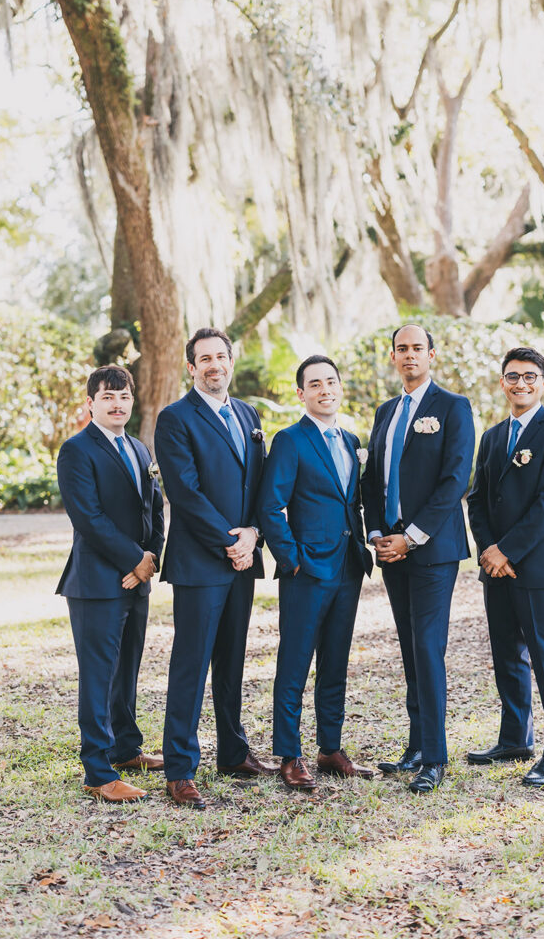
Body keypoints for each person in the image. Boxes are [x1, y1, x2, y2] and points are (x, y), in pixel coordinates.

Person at [155, 328, 273, 809]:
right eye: (204, 358)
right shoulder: (175, 418)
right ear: (191, 367)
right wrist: (231, 541)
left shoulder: (248, 414)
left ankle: (233, 752)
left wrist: (254, 534)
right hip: (202, 562)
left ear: (231, 360)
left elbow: (264, 483)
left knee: (232, 660)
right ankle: (180, 769)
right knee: (192, 663)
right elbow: (183, 493)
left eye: (220, 356)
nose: (214, 365)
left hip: (243, 557)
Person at [362, 325, 475, 794]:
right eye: (402, 349)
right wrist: (376, 533)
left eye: (417, 349)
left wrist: (411, 536)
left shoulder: (453, 407)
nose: (410, 356)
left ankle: (435, 756)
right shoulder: (387, 412)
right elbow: (372, 480)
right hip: (391, 551)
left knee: (428, 649)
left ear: (432, 354)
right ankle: (414, 746)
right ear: (393, 357)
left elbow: (455, 480)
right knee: (409, 649)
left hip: (433, 550)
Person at [257, 355, 374, 790]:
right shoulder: (290, 440)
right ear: (301, 393)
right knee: (295, 662)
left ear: (339, 387)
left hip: (347, 567)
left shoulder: (350, 439)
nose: (325, 389)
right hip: (307, 570)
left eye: (331, 381)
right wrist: (293, 558)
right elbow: (271, 505)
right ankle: (289, 754)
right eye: (315, 384)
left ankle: (330, 747)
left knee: (336, 661)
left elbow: (354, 502)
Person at [466, 346, 544, 787]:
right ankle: (515, 738)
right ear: (502, 383)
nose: (521, 384)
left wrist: (507, 551)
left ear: (543, 383)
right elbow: (476, 500)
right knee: (507, 656)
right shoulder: (493, 437)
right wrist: (489, 550)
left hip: (538, 567)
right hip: (496, 569)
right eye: (513, 376)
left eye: (530, 377)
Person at [56, 365, 164, 803]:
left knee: (127, 671)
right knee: (98, 677)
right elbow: (89, 518)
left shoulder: (139, 449)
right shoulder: (76, 450)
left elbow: (155, 508)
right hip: (97, 582)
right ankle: (97, 771)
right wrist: (133, 559)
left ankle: (125, 748)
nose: (117, 403)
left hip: (137, 579)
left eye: (123, 396)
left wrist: (150, 558)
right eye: (107, 397)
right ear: (90, 403)